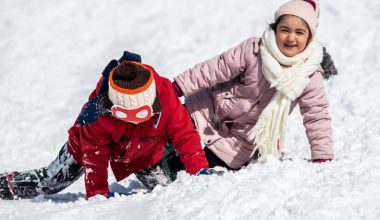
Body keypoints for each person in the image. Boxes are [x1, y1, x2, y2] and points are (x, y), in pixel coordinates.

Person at [137, 0, 338, 189]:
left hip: (241, 138)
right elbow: (214, 68)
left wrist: (322, 155)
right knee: (175, 125)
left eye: (299, 32)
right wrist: (177, 87)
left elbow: (316, 115)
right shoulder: (254, 50)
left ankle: (165, 174)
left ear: (310, 38)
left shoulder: (309, 75)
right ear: (275, 29)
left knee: (210, 160)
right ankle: (148, 151)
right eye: (284, 30)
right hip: (209, 109)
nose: (290, 37)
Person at [0, 54, 210, 200]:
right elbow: (94, 154)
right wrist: (98, 191)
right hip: (85, 147)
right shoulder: (96, 111)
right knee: (51, 182)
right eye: (123, 115)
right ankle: (7, 184)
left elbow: (185, 135)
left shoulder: (165, 96)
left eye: (140, 115)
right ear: (113, 106)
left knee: (169, 190)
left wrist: (199, 170)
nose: (133, 120)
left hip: (144, 151)